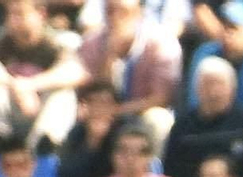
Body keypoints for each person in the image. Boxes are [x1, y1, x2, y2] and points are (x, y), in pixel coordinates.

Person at [0, 0, 85, 150]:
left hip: (40, 109)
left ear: (41, 14)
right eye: (10, 14)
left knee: (64, 92)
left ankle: (46, 146)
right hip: (10, 111)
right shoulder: (2, 39)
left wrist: (30, 85)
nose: (13, 20)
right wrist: (14, 85)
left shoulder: (54, 41)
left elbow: (75, 71)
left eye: (19, 14)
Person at [77, 0, 183, 144]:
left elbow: (161, 98)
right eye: (110, 11)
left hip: (141, 112)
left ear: (139, 13)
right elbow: (95, 90)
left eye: (123, 12)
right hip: (105, 112)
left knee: (159, 119)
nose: (116, 17)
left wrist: (116, 111)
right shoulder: (92, 41)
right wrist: (109, 56)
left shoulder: (161, 42)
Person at [184, 1, 243, 127]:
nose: (227, 33)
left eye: (234, 28)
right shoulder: (206, 54)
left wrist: (240, 127)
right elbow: (195, 102)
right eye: (224, 26)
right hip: (208, 127)